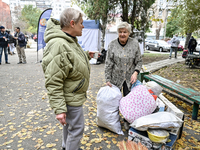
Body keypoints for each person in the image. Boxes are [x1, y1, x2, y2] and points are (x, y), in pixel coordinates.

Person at [41, 8, 94, 150]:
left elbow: (70, 59)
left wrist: (87, 55)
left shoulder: (68, 41)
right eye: (81, 23)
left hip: (73, 94)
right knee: (76, 129)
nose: (83, 26)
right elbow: (53, 80)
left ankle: (66, 146)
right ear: (72, 23)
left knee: (70, 127)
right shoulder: (59, 45)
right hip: (70, 97)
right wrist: (59, 109)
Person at [105, 22, 143, 130]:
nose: (122, 34)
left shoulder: (134, 43)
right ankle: (113, 121)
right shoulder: (112, 44)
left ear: (129, 33)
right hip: (115, 78)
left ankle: (127, 120)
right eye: (120, 32)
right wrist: (107, 79)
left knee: (129, 101)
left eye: (125, 32)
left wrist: (135, 72)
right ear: (118, 32)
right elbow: (108, 63)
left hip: (130, 79)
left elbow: (139, 61)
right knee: (114, 101)